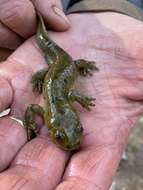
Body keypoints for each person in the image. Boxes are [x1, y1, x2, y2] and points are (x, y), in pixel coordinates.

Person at [0, 0, 143, 189]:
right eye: (60, 136)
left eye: (78, 130)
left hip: (65, 62)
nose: (73, 140)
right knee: (49, 66)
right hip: (61, 63)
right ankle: (42, 33)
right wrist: (38, 79)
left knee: (71, 64)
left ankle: (77, 61)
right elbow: (47, 103)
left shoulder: (50, 110)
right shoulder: (54, 108)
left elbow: (33, 108)